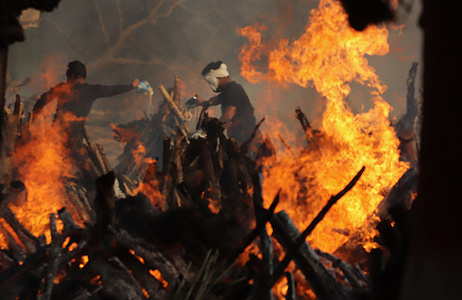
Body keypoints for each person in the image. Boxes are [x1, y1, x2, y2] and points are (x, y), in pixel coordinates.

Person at [31, 60, 139, 185]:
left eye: (67, 75)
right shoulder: (92, 90)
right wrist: (131, 85)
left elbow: (41, 102)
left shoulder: (62, 88)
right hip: (74, 140)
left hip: (57, 137)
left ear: (71, 75)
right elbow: (113, 89)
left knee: (52, 169)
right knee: (83, 172)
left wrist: (31, 121)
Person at [196, 61, 258, 145]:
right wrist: (202, 102)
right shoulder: (228, 90)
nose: (210, 85)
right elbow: (215, 100)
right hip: (239, 133)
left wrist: (213, 134)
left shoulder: (233, 89)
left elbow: (228, 115)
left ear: (217, 77)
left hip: (246, 136)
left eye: (210, 81)